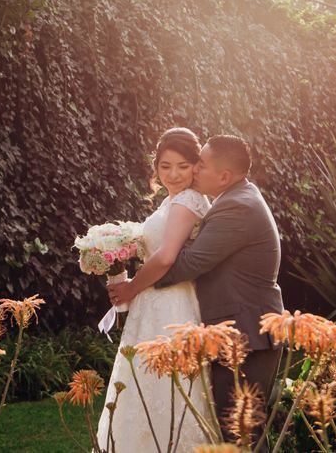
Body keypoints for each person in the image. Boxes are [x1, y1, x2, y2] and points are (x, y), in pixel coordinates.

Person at [109, 134, 284, 447]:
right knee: (233, 426)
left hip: (247, 333)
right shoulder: (234, 197)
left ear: (224, 176)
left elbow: (189, 262)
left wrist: (136, 286)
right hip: (236, 329)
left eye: (200, 165)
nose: (194, 171)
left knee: (241, 429)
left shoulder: (238, 207)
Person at [95, 127, 211, 452]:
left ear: (196, 166)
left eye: (182, 166)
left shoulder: (190, 200)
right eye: (165, 166)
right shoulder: (170, 200)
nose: (173, 174)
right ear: (156, 167)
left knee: (166, 383)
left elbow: (166, 257)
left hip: (172, 301)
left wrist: (131, 287)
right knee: (141, 383)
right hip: (152, 300)